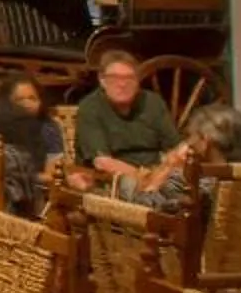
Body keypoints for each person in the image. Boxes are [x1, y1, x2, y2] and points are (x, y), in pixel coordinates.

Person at [71, 50, 181, 189]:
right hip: (113, 180)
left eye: (129, 78)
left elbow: (175, 148)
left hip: (158, 175)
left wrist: (167, 169)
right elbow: (103, 163)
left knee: (204, 187)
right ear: (102, 80)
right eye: (115, 78)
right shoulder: (90, 108)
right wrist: (144, 178)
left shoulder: (152, 102)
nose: (122, 84)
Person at [0, 76, 63, 215]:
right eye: (19, 100)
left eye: (32, 98)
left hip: (36, 199)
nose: (27, 104)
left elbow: (52, 176)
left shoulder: (48, 128)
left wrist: (22, 176)